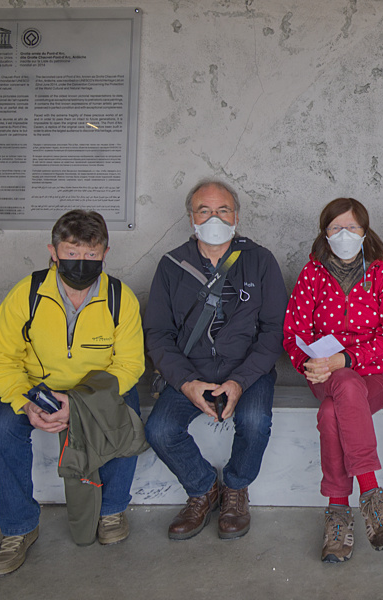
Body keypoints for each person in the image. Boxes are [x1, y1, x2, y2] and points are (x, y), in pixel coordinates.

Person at [0, 210, 145, 576]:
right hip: (36, 389)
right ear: (53, 252)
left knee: (128, 409)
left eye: (91, 254)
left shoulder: (120, 298)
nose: (81, 261)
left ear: (105, 253)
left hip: (94, 389)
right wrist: (24, 401)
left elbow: (129, 365)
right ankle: (19, 527)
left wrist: (82, 404)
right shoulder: (27, 293)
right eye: (72, 252)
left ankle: (112, 509)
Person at [143, 179, 286, 541]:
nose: (214, 218)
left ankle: (235, 489)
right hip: (190, 370)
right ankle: (203, 488)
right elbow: (158, 333)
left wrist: (240, 381)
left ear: (236, 215)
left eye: (223, 210)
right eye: (204, 210)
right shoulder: (172, 265)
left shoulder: (260, 261)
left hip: (248, 370)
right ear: (191, 218)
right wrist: (186, 383)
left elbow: (274, 330)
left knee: (254, 421)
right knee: (159, 429)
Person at [283, 197, 383, 563]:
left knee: (330, 412)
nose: (344, 234)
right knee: (345, 385)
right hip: (325, 373)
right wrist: (310, 364)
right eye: (336, 228)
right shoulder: (312, 273)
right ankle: (372, 499)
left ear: (364, 231)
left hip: (378, 372)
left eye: (352, 227)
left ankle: (338, 513)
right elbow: (293, 333)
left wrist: (346, 359)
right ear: (325, 233)